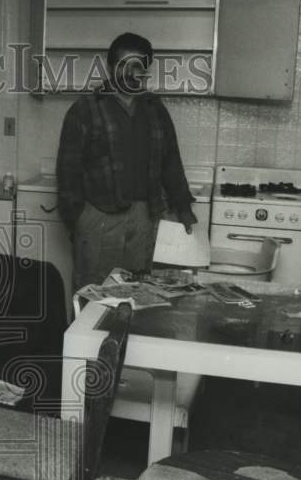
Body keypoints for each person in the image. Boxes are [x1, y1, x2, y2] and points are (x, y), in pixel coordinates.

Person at [56, 32, 198, 289]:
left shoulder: (155, 109)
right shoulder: (85, 109)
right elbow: (68, 172)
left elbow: (171, 162)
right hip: (99, 217)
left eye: (138, 66)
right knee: (93, 293)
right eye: (124, 65)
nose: (131, 73)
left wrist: (184, 208)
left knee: (136, 293)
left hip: (145, 217)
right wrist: (79, 219)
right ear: (111, 67)